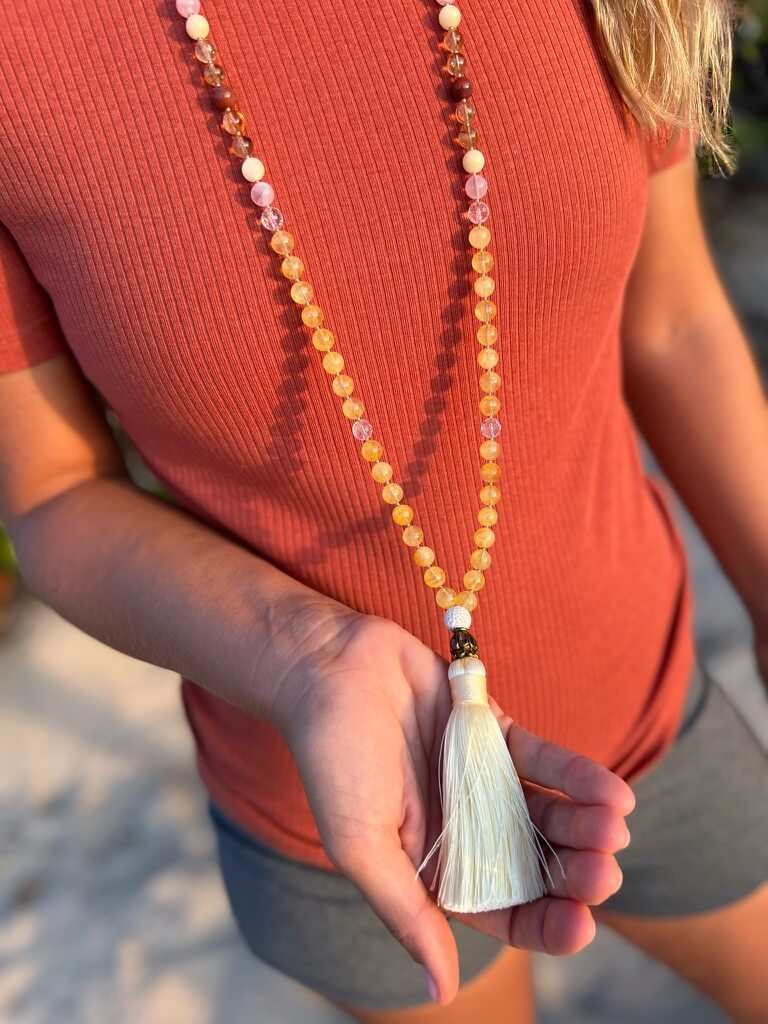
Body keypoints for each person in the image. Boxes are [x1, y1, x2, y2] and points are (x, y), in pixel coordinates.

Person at [1, 0, 767, 1020]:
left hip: (653, 706)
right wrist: (308, 658)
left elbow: (673, 321)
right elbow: (49, 493)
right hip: (345, 818)